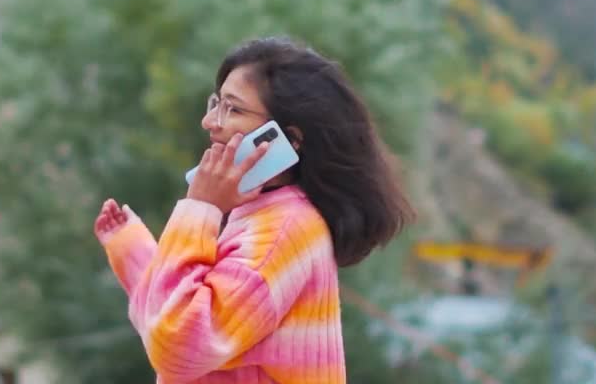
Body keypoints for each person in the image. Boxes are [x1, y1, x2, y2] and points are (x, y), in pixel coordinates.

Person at [95, 36, 416, 383]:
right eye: (215, 103)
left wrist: (200, 207)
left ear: (287, 139)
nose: (210, 122)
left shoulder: (282, 230)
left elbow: (177, 346)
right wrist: (136, 254)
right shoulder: (266, 215)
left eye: (233, 109)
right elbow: (177, 320)